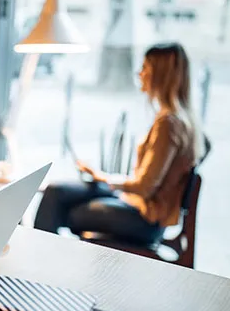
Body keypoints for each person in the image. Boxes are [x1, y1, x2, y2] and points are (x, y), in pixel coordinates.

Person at [34, 42, 208, 243]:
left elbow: (144, 187)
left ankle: (37, 266)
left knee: (63, 210)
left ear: (160, 75)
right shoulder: (186, 120)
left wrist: (105, 178)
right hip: (137, 205)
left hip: (145, 218)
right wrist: (103, 178)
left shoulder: (168, 124)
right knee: (56, 191)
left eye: (145, 68)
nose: (139, 73)